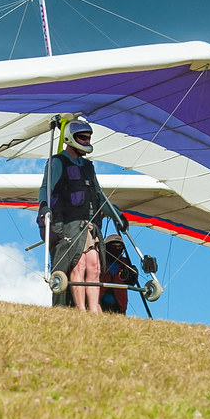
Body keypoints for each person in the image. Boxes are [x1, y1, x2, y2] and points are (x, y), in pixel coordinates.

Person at [38, 120, 128, 313]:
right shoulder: (57, 162)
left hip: (90, 223)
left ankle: (94, 307)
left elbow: (100, 194)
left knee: (95, 266)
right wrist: (44, 208)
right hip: (69, 223)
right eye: (82, 138)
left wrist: (117, 215)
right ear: (71, 138)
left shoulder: (88, 166)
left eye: (88, 138)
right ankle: (80, 309)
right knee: (78, 264)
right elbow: (45, 188)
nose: (86, 141)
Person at [99, 235, 139, 315]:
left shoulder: (125, 263)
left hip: (119, 303)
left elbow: (130, 282)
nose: (117, 248)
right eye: (113, 246)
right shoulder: (99, 260)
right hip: (100, 299)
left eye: (119, 246)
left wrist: (134, 274)